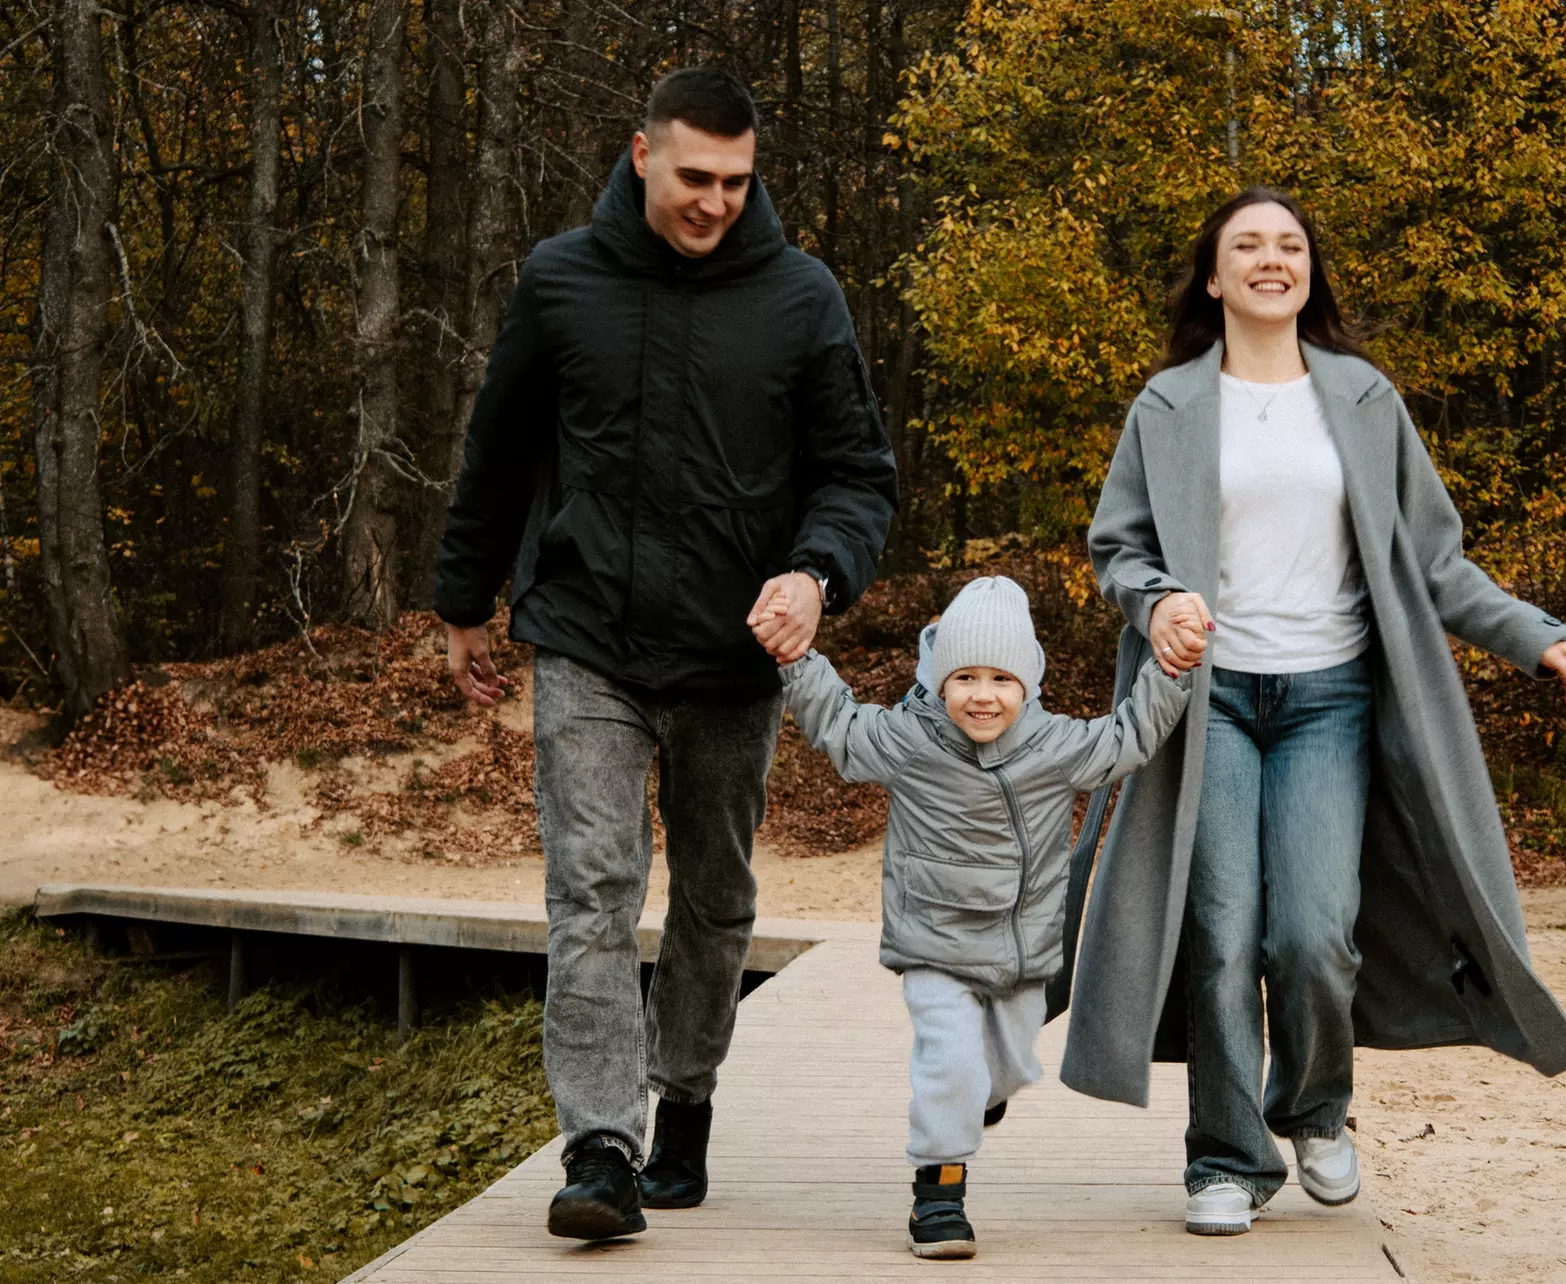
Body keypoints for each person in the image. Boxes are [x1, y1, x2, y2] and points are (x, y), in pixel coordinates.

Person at [1055, 187, 1566, 1235]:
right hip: (1209, 705)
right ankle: (1225, 1157)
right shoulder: (1167, 406)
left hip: (1331, 702)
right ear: (1213, 277)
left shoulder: (1361, 398)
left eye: (1290, 245)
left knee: (1314, 934)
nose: (1271, 259)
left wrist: (1535, 635)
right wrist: (1158, 600)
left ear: (1311, 273)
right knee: (1221, 934)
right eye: (1247, 246)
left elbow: (1433, 560)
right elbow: (1117, 550)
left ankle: (1313, 1107)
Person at [432, 67, 897, 1241]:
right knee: (592, 889)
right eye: (695, 177)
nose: (716, 202)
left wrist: (815, 574)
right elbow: (498, 451)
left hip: (735, 655)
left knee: (716, 897)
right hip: (587, 637)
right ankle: (600, 1144)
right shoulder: (561, 281)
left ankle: (683, 1095)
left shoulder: (802, 297)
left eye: (739, 182)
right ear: (641, 155)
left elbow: (857, 476)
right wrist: (462, 600)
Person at [777, 576, 1191, 1259]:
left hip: (1020, 954)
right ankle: (939, 1195)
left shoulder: (1054, 748)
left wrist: (1168, 671)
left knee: (1005, 1068)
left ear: (1028, 684)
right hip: (933, 946)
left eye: (1001, 678)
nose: (982, 694)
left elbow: (1128, 739)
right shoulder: (911, 739)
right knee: (951, 1062)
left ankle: (980, 1097)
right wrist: (799, 660)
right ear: (939, 681)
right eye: (964, 676)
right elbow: (841, 727)